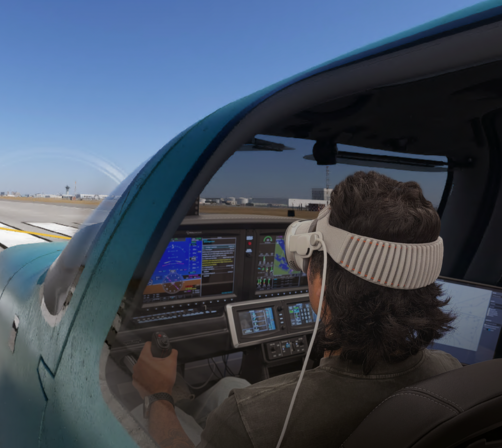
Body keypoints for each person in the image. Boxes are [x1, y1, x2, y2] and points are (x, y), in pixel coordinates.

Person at [132, 171, 460, 448]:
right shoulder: (450, 372)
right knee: (230, 387)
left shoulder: (249, 420)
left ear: (322, 281)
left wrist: (157, 396)